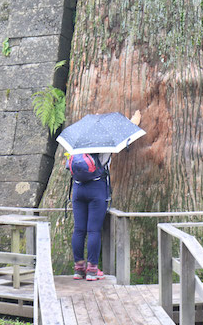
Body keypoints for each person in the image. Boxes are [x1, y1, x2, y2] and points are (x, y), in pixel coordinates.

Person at [71, 110, 141, 281]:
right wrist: (134, 122)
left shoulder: (79, 141)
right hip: (97, 188)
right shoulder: (106, 143)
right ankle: (93, 270)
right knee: (93, 230)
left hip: (78, 188)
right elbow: (126, 135)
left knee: (79, 230)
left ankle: (79, 268)